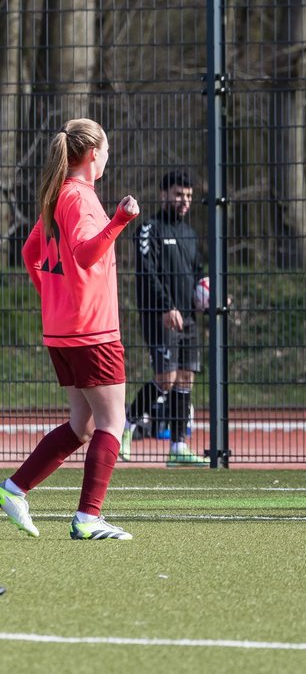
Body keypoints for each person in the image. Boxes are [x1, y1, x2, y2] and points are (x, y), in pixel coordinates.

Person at [1, 119, 139, 540]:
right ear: (94, 154)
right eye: (108, 148)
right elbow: (82, 255)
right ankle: (87, 517)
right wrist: (118, 221)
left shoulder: (56, 196)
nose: (109, 155)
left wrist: (51, 295)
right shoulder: (81, 198)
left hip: (63, 328)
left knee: (82, 426)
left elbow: (30, 252)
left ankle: (14, 489)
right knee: (113, 421)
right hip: (91, 329)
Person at [123, 170, 205, 466]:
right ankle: (128, 425)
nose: (184, 201)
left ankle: (178, 446)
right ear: (164, 195)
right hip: (160, 317)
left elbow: (198, 274)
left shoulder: (190, 234)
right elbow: (147, 273)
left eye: (188, 196)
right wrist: (166, 307)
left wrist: (209, 296)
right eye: (178, 195)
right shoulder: (149, 228)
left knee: (186, 379)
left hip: (188, 319)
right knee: (166, 379)